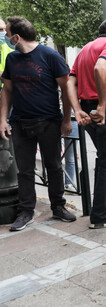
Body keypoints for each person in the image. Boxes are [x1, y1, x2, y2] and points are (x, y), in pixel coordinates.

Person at [0, 16, 77, 231]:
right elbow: (7, 90)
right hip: (20, 123)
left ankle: (58, 207)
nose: (5, 36)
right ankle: (26, 212)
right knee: (24, 170)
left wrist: (66, 119)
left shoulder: (50, 56)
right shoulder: (12, 59)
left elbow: (66, 89)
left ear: (17, 36)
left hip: (48, 122)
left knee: (53, 167)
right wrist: (2, 120)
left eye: (6, 33)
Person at [67, 18, 106, 229]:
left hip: (86, 105)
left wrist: (77, 109)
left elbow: (70, 81)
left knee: (103, 158)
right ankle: (100, 215)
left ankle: (101, 205)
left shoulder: (85, 48)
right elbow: (101, 68)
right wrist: (102, 105)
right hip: (105, 107)